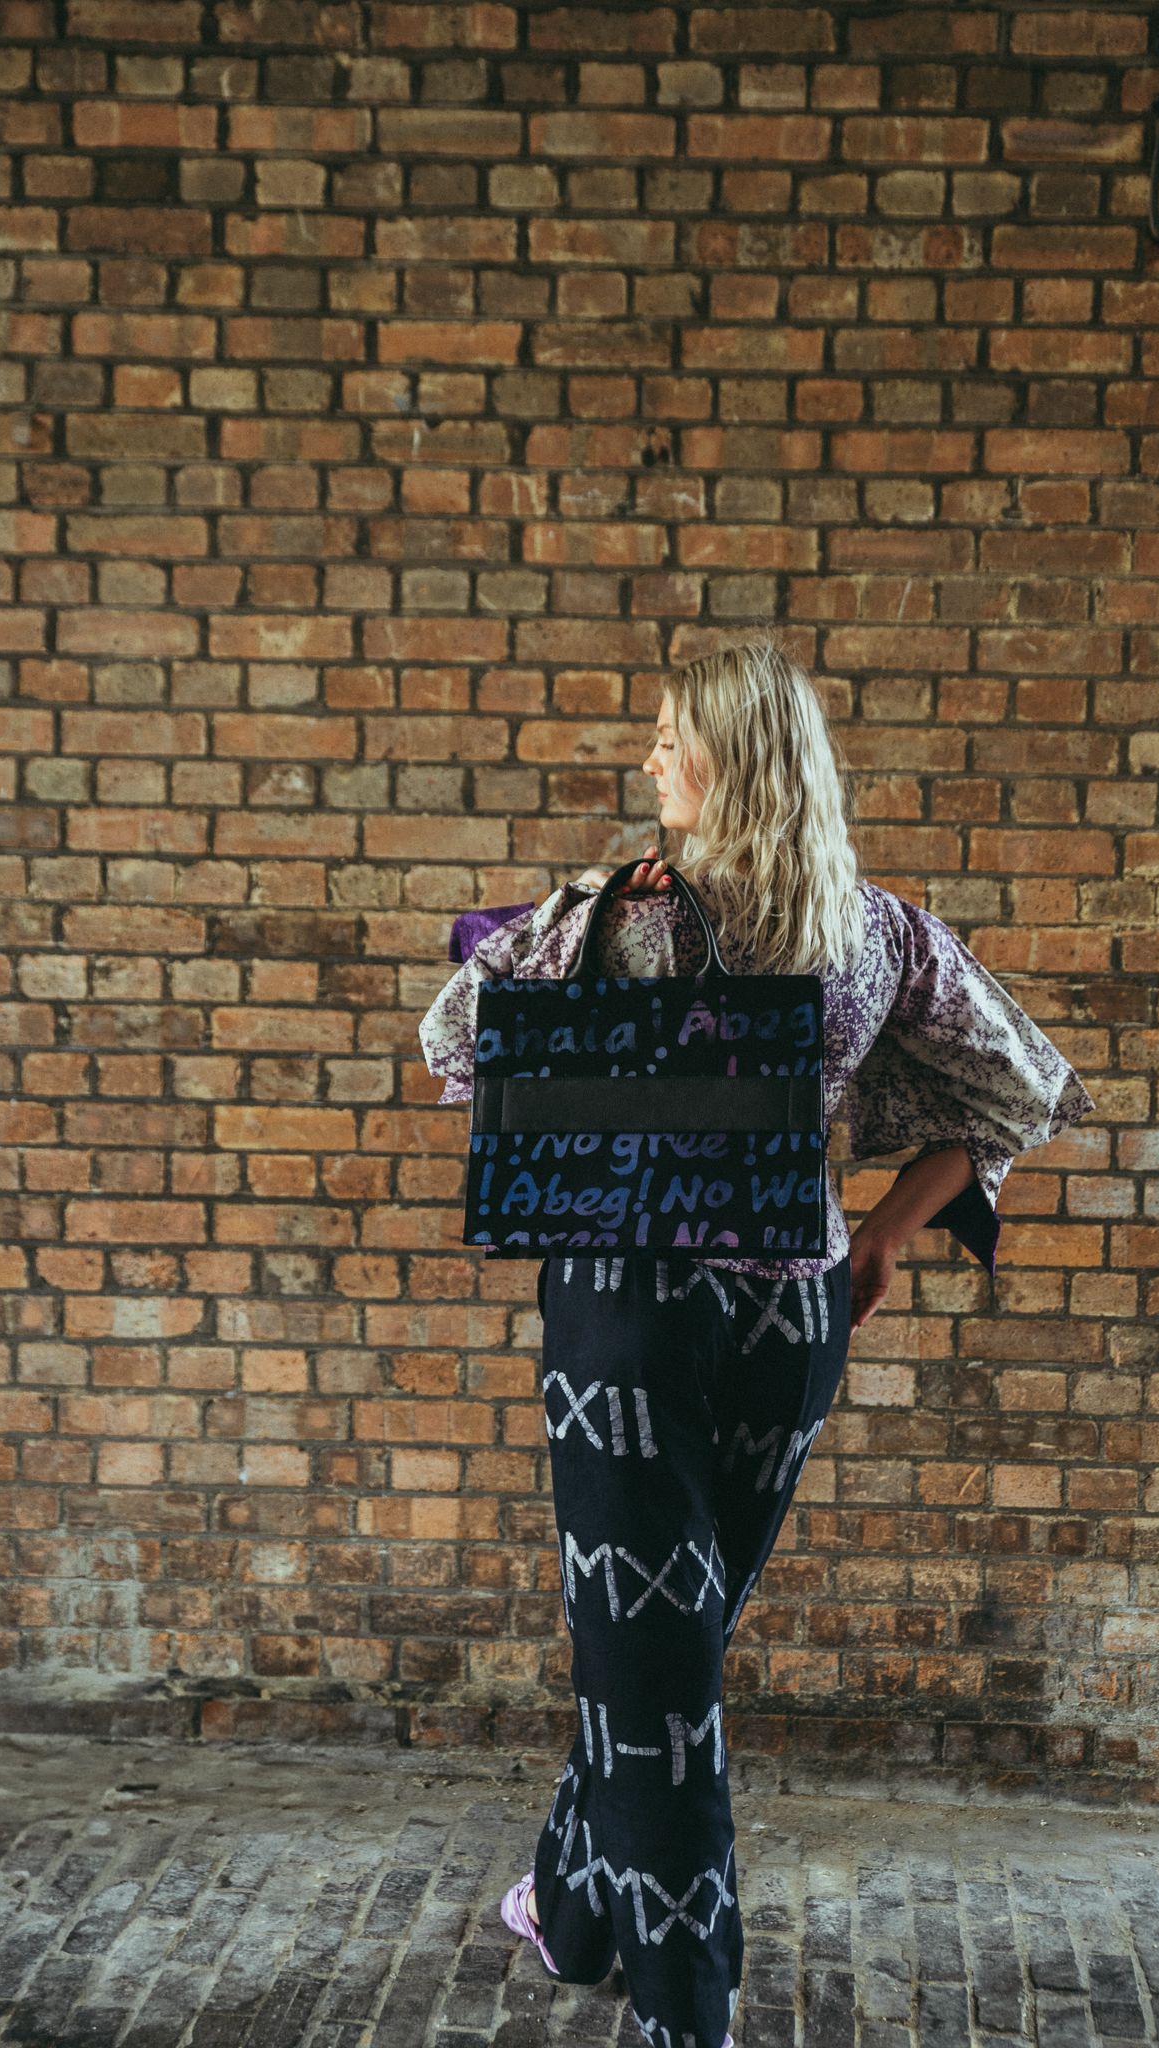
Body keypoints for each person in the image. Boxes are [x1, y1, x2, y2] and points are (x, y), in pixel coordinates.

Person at [419, 636, 1096, 2048]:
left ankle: (689, 2015)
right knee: (670, 1643)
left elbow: (454, 1045)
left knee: (653, 1668)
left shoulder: (610, 913)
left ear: (729, 758)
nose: (650, 756)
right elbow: (1019, 1095)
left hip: (628, 1322)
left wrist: (520, 941)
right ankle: (569, 1899)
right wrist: (886, 1234)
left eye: (673, 736)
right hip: (793, 1320)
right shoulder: (878, 930)